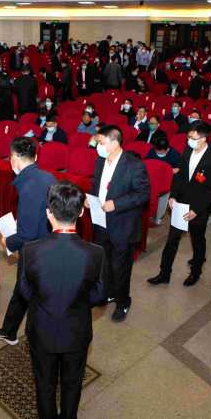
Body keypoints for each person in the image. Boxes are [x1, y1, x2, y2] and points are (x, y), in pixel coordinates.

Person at [19, 181, 106, 419]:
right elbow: (100, 295)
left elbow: (24, 290)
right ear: (81, 212)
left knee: (44, 385)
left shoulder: (30, 250)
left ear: (49, 212)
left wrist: (43, 301)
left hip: (41, 331)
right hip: (76, 332)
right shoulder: (96, 253)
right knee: (72, 384)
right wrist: (77, 301)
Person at [0, 138, 57, 345]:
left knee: (26, 291)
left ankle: (24, 334)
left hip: (34, 250)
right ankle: (9, 331)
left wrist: (7, 241)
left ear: (15, 157)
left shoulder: (28, 187)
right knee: (27, 291)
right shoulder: (48, 176)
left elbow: (27, 234)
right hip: (50, 242)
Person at [149, 122, 211, 287]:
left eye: (192, 138)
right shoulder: (187, 151)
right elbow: (180, 177)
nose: (189, 140)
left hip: (198, 210)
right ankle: (164, 273)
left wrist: (196, 210)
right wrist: (173, 196)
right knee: (171, 241)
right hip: (180, 205)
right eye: (189, 137)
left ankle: (195, 272)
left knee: (198, 242)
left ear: (203, 139)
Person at [89, 125, 150, 322]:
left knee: (120, 267)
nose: (98, 146)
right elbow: (96, 185)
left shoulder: (134, 165)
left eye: (101, 142)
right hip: (101, 222)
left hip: (123, 225)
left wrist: (116, 204)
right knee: (103, 263)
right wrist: (91, 199)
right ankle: (108, 292)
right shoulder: (100, 161)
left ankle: (123, 302)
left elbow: (143, 194)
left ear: (114, 143)